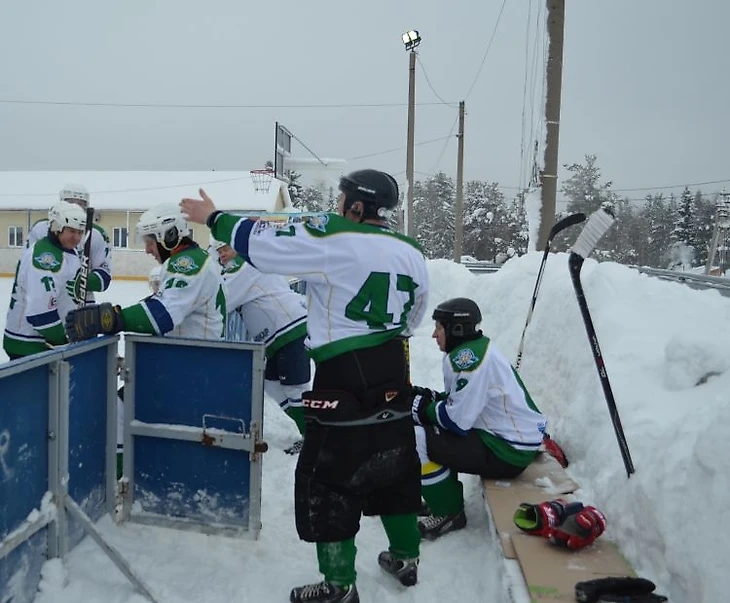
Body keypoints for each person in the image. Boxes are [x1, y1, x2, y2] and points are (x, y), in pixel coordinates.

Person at [181, 169, 429, 603]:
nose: (338, 204)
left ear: (357, 205)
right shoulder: (412, 251)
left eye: (343, 198)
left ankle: (339, 586)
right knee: (395, 466)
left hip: (345, 372)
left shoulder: (336, 239)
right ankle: (406, 557)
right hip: (394, 365)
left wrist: (215, 217)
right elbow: (415, 317)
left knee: (328, 480)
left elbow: (265, 247)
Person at [410, 297, 547, 540]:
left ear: (456, 329)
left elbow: (457, 421)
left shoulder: (468, 359)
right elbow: (462, 399)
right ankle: (442, 497)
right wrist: (430, 398)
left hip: (507, 452)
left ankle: (448, 512)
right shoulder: (471, 350)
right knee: (427, 429)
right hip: (506, 441)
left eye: (439, 328)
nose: (434, 335)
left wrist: (422, 409)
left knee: (416, 438)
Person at [64, 203, 226, 343]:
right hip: (198, 359)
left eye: (150, 242)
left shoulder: (188, 264)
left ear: (169, 236)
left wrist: (107, 319)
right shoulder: (196, 258)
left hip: (199, 363)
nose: (148, 250)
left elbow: (161, 314)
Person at [210, 238, 310, 453]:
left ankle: (315, 439)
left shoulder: (243, 266)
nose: (222, 255)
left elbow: (220, 301)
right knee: (273, 385)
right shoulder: (254, 260)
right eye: (218, 251)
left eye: (226, 248)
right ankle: (311, 433)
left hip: (288, 330)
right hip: (278, 334)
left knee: (295, 389)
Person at [3, 202, 87, 360]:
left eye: (80, 232)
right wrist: (63, 340)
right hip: (29, 344)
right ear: (56, 227)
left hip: (43, 342)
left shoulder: (67, 250)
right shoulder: (46, 258)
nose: (76, 237)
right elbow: (40, 313)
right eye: (71, 231)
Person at [26, 184, 112, 304]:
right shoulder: (40, 229)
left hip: (82, 303)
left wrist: (83, 282)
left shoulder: (96, 234)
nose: (75, 207)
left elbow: (104, 277)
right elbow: (27, 268)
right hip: (46, 301)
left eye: (80, 204)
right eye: (70, 202)